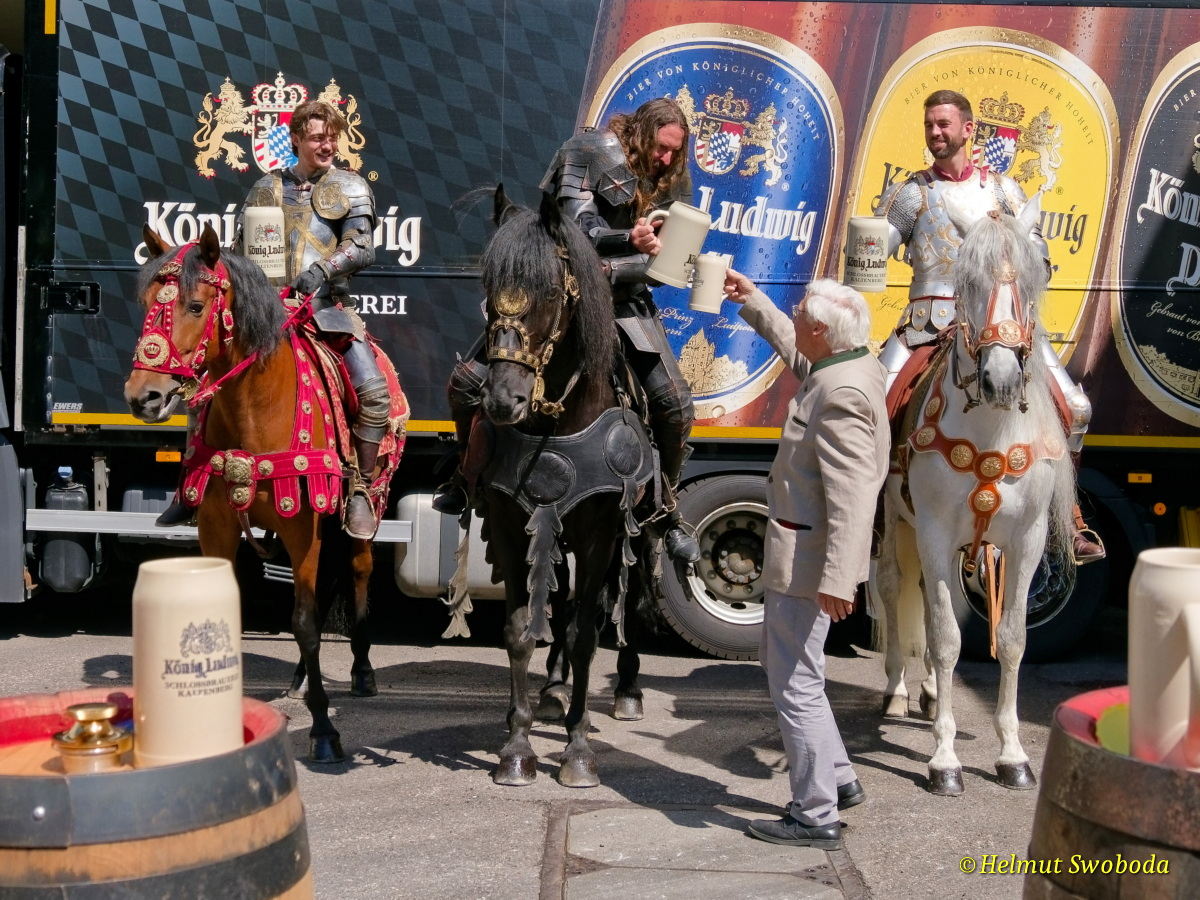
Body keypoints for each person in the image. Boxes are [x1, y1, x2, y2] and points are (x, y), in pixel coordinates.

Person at [433, 97, 701, 562]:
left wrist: (617, 270)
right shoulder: (590, 151)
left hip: (625, 302)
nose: (665, 158)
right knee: (467, 383)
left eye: (674, 151)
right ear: (641, 132)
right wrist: (627, 239)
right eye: (661, 147)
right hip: (563, 294)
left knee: (673, 402)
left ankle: (666, 508)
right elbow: (575, 226)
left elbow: (672, 265)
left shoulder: (674, 180)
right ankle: (464, 476)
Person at [875, 89, 1104, 564]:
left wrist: (1022, 257)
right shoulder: (911, 193)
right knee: (872, 408)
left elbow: (1039, 256)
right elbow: (873, 253)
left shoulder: (1004, 192)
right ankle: (874, 518)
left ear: (967, 129)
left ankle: (1070, 518)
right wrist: (867, 245)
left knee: (1076, 408)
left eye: (943, 124)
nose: (935, 133)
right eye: (929, 125)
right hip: (926, 322)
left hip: (1000, 321)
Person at [156, 100, 389, 540]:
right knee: (203, 385)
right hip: (263, 312)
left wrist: (322, 270)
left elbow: (362, 246)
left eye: (332, 137)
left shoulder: (350, 186)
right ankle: (190, 484)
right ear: (296, 139)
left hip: (326, 309)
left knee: (373, 390)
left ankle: (359, 486)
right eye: (318, 137)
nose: (328, 145)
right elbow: (239, 250)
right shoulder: (265, 187)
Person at [724, 271, 888, 850]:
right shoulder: (847, 365)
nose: (793, 317)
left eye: (799, 314)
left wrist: (840, 578)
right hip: (808, 556)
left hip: (809, 563)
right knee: (794, 669)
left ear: (820, 330)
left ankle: (816, 814)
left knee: (795, 684)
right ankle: (838, 778)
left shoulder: (841, 395)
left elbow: (854, 494)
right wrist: (753, 300)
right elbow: (798, 354)